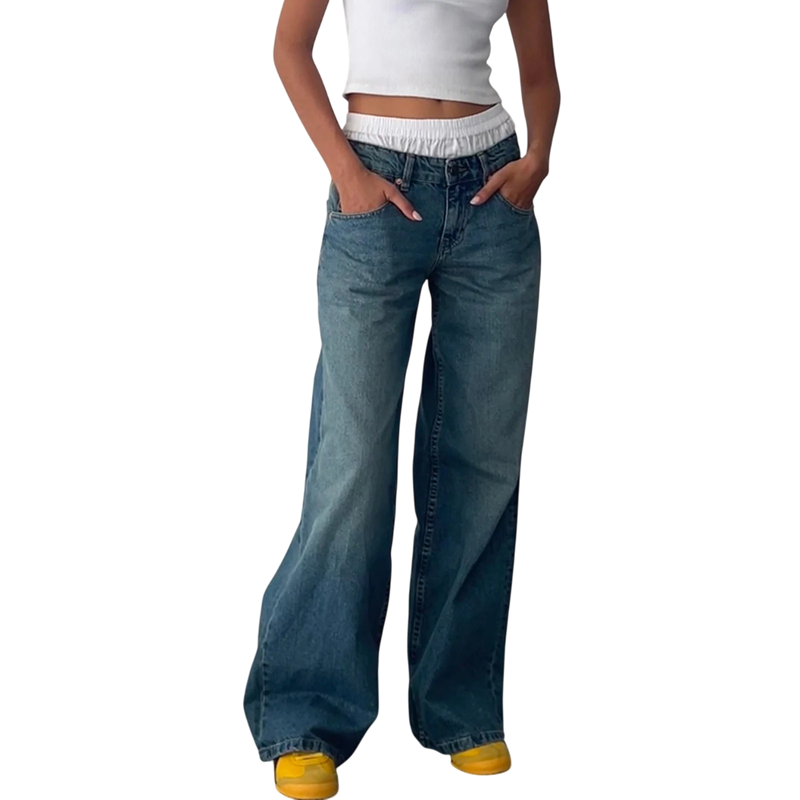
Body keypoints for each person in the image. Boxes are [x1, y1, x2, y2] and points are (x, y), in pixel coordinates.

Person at [243, 0, 559, 796]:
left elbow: (540, 72)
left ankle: (461, 708)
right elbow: (289, 48)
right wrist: (347, 173)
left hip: (494, 196)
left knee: (482, 461)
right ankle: (306, 717)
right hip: (376, 184)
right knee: (351, 461)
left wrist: (539, 158)